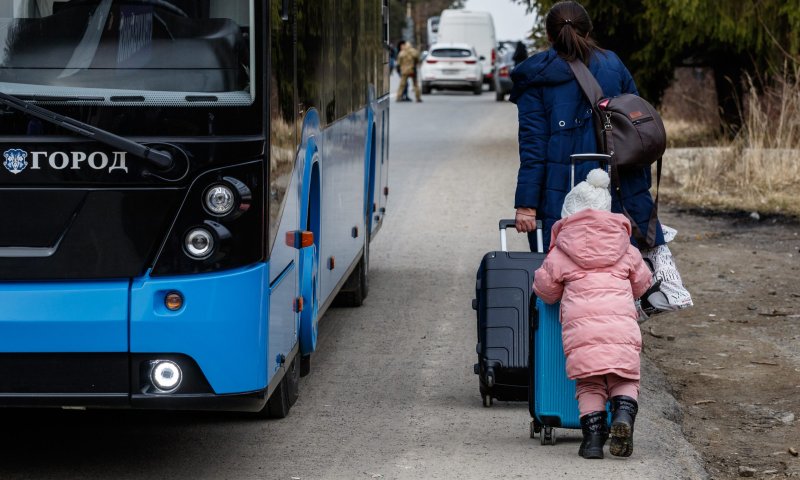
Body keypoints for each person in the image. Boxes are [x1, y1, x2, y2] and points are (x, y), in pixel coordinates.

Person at [509, 0, 664, 252]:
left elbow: (533, 148)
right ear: (588, 31)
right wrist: (639, 187)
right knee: (621, 266)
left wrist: (526, 205)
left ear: (549, 35)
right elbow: (638, 131)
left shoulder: (535, 78)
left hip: (560, 195)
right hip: (617, 185)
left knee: (564, 268)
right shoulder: (613, 64)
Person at [533, 168, 652, 459]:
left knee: (590, 383)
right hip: (621, 329)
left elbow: (545, 290)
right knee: (624, 378)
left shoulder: (561, 252)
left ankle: (593, 441)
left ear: (569, 215)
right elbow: (642, 282)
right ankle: (623, 415)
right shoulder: (625, 247)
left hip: (582, 334)